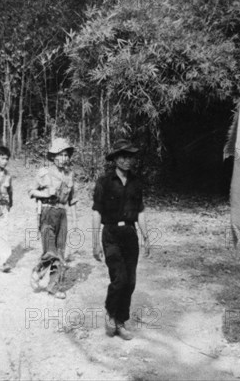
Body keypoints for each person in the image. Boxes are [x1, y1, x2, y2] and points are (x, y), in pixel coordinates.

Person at [92, 139, 150, 340]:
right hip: (110, 234)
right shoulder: (104, 182)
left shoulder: (136, 182)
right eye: (122, 156)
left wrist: (145, 236)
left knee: (131, 281)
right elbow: (96, 212)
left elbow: (140, 211)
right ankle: (110, 311)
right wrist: (94, 243)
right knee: (119, 279)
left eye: (130, 156)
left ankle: (120, 321)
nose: (127, 160)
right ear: (115, 159)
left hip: (130, 235)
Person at [29, 138, 78, 299]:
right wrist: (45, 193)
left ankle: (53, 286)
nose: (64, 158)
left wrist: (75, 222)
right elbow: (31, 191)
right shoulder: (44, 172)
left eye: (66, 155)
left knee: (61, 252)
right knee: (50, 251)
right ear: (53, 156)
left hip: (62, 214)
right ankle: (38, 270)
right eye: (60, 155)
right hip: (47, 212)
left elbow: (72, 200)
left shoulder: (70, 175)